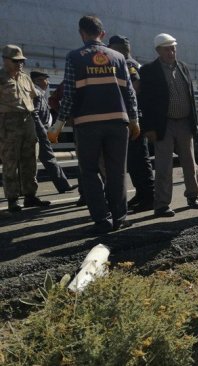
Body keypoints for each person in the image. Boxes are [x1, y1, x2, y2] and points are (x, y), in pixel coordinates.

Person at [54, 16, 138, 233]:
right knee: (117, 171)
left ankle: (102, 219)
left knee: (90, 171)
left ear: (82, 33)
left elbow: (70, 93)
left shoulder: (74, 57)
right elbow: (129, 92)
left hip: (87, 123)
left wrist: (59, 123)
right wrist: (135, 119)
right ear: (103, 34)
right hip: (118, 123)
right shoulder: (119, 57)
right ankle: (119, 218)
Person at [139, 33, 198, 217]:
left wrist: (195, 123)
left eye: (173, 48)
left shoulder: (183, 67)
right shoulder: (149, 70)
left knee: (190, 163)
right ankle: (162, 204)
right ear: (158, 50)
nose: (171, 51)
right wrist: (149, 127)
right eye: (167, 49)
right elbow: (145, 101)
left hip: (184, 123)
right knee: (164, 165)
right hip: (163, 124)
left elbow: (191, 97)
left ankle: (193, 196)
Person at [0, 45, 51, 212]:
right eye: (15, 61)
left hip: (27, 120)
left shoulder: (25, 78)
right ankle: (12, 199)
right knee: (10, 161)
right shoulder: (1, 77)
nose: (19, 64)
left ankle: (30, 196)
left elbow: (35, 97)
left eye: (21, 61)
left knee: (30, 159)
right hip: (8, 122)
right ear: (5, 60)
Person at [108, 35, 155, 212]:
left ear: (117, 48)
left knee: (139, 160)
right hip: (131, 118)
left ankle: (149, 197)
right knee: (134, 161)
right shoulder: (128, 62)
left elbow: (135, 86)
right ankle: (142, 194)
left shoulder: (128, 64)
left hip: (134, 119)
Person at [30, 71, 77, 194]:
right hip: (39, 133)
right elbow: (34, 114)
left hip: (38, 132)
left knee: (33, 161)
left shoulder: (37, 92)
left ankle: (25, 191)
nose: (48, 82)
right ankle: (63, 185)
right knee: (50, 159)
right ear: (37, 81)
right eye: (45, 79)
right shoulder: (37, 93)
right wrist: (42, 132)